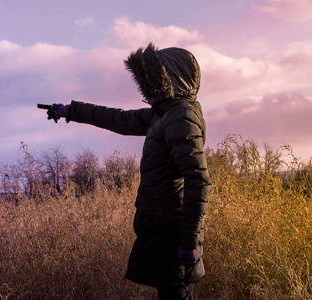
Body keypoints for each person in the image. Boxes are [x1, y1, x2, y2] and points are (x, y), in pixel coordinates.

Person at [39, 43, 212, 300]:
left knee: (176, 293)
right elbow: (117, 118)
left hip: (171, 229)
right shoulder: (162, 114)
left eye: (157, 79)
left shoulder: (180, 116)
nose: (151, 86)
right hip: (159, 224)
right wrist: (70, 111)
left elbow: (199, 180)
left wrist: (188, 242)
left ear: (173, 78)